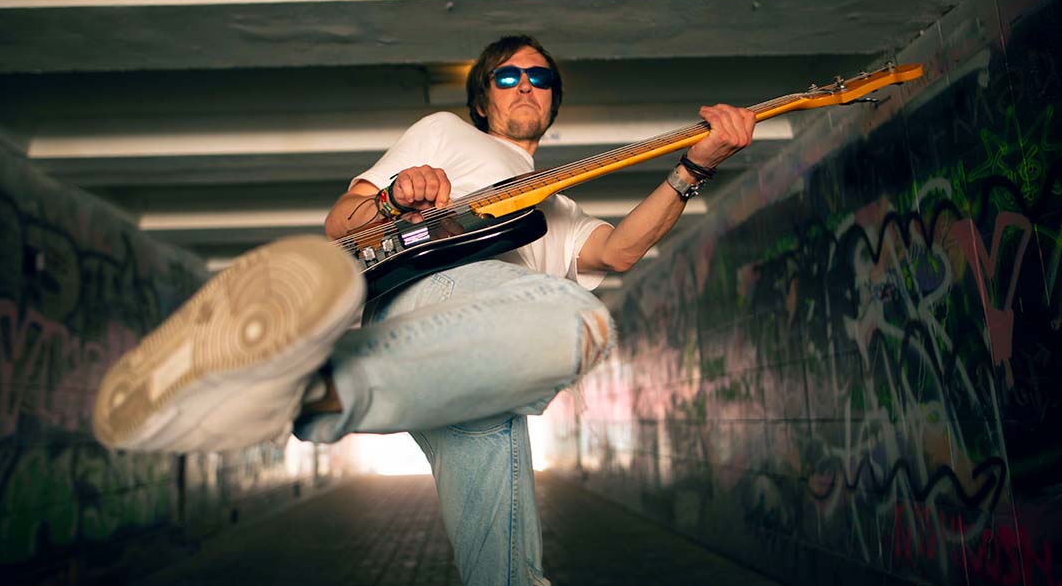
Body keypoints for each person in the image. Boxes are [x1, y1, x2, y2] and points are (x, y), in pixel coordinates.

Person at [93, 34, 754, 586]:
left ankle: (299, 390)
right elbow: (339, 223)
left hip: (466, 369)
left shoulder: (559, 205)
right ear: (482, 99)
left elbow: (621, 251)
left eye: (540, 77)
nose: (526, 85)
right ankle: (319, 386)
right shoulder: (444, 132)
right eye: (508, 76)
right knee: (579, 321)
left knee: (505, 564)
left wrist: (694, 168)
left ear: (554, 99)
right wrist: (391, 198)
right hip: (430, 296)